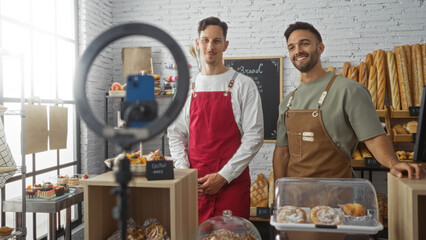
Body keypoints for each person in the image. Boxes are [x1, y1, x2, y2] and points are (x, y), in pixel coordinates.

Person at [272, 21, 425, 240]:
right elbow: (282, 152)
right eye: (292, 47)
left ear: (320, 48)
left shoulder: (348, 90)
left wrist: (393, 162)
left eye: (304, 44)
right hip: (297, 203)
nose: (298, 51)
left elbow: (373, 136)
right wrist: (280, 198)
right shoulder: (287, 101)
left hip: (335, 199)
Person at [168, 16, 264, 224]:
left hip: (232, 184)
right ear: (197, 43)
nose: (210, 46)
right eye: (205, 40)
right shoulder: (187, 89)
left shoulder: (243, 85)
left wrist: (223, 176)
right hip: (196, 186)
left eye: (216, 41)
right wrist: (186, 174)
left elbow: (254, 137)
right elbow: (176, 135)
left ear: (225, 45)